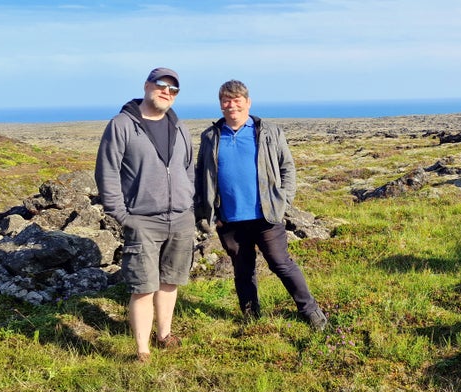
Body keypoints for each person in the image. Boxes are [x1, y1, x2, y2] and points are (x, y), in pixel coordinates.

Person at [195, 79, 327, 331]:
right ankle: (251, 316)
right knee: (242, 269)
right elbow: (202, 174)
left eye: (237, 100)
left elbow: (286, 166)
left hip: (266, 215)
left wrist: (284, 200)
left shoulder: (268, 131)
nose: (231, 105)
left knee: (281, 263)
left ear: (248, 102)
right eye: (226, 100)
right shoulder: (210, 136)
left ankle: (310, 310)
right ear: (221, 104)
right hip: (229, 219)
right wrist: (207, 212)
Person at [94, 67, 196, 363]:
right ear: (147, 85)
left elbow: (188, 169)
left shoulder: (180, 127)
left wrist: (188, 204)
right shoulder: (122, 125)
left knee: (169, 281)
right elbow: (107, 172)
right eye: (161, 85)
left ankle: (164, 334)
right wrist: (123, 216)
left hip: (179, 218)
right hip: (142, 220)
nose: (167, 91)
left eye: (173, 89)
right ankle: (142, 351)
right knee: (143, 287)